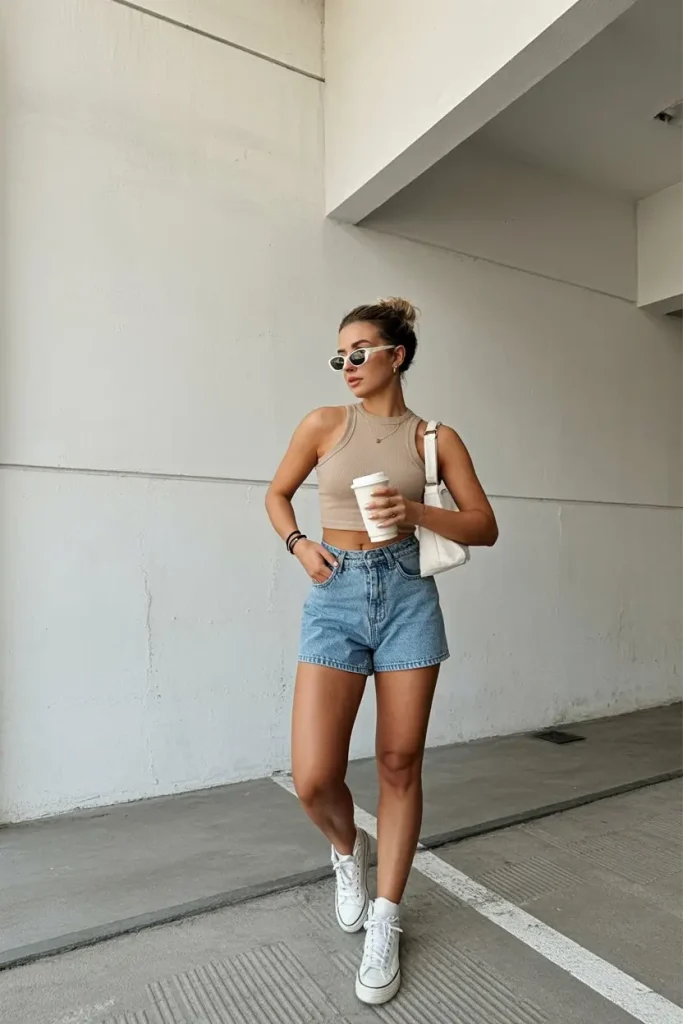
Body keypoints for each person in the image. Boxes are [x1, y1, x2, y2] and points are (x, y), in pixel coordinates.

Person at [265, 298, 498, 1005]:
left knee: (399, 763)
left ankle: (387, 918)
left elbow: (483, 525)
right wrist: (299, 545)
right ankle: (347, 851)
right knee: (313, 777)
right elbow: (277, 495)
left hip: (406, 596)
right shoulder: (323, 424)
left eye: (360, 351)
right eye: (340, 355)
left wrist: (416, 510)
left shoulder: (434, 438)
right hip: (335, 591)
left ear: (397, 355)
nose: (348, 365)